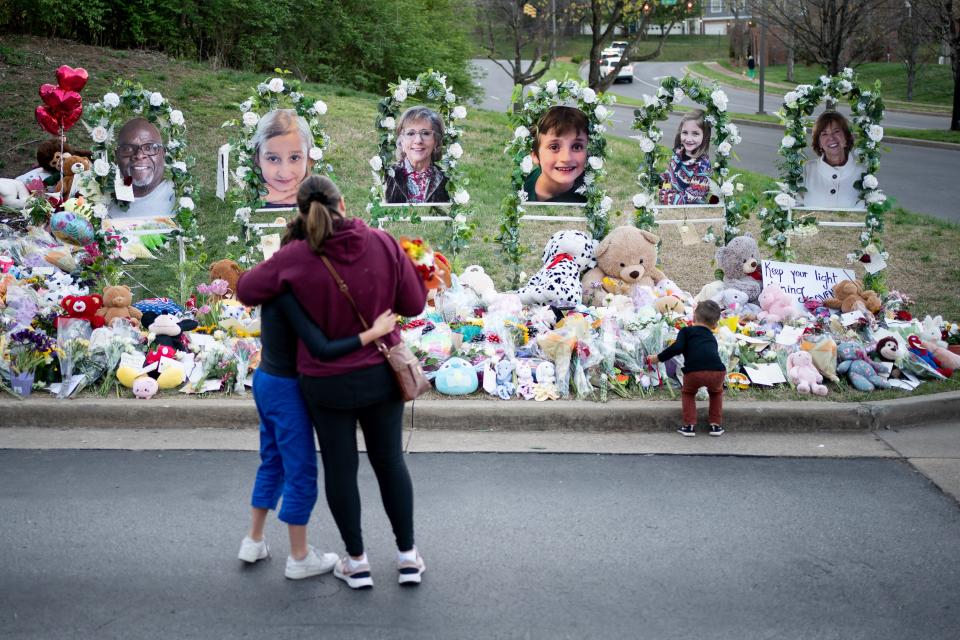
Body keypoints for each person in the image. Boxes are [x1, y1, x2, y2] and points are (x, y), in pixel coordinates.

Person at [237, 175, 428, 590]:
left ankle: (356, 563)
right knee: (390, 462)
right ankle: (408, 557)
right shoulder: (381, 241)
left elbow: (246, 289)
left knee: (341, 470)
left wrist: (287, 265)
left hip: (326, 383)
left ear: (302, 214)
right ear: (343, 201)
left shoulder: (296, 257)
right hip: (381, 375)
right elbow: (413, 303)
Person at [238, 288, 398, 580]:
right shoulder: (295, 293)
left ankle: (254, 540)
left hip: (265, 379)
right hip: (287, 389)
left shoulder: (275, 284)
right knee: (301, 472)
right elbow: (321, 348)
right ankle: (299, 558)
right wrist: (374, 332)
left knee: (273, 461)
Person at [647, 300, 726, 437]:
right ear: (715, 324)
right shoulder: (711, 337)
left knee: (688, 393)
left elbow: (677, 348)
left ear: (694, 316)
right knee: (716, 393)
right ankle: (715, 425)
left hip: (694, 371)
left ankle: (689, 426)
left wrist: (657, 358)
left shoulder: (686, 331)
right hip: (717, 371)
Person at [107, 118, 175, 219]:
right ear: (117, 156)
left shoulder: (178, 196)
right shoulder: (102, 198)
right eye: (128, 149)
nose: (139, 155)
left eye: (149, 148)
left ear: (163, 154)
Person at [384, 106, 449, 204]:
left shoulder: (447, 179)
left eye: (426, 133)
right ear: (401, 141)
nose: (418, 140)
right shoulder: (386, 175)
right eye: (410, 133)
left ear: (436, 141)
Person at [523, 106, 588, 204]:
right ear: (535, 155)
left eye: (577, 147)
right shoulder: (523, 187)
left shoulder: (590, 198)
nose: (566, 158)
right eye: (554, 147)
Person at [802, 112, 866, 209]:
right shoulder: (807, 170)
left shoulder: (863, 173)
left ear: (846, 137)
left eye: (836, 131)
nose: (831, 138)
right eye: (824, 134)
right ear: (819, 143)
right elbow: (795, 208)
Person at [253, 109, 314, 208]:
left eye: (294, 158)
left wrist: (286, 195)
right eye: (273, 159)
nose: (284, 173)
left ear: (308, 158)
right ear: (257, 159)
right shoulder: (242, 199)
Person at [658, 110, 712, 206]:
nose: (688, 139)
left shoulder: (702, 167)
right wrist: (657, 179)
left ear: (705, 136)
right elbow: (670, 174)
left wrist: (663, 195)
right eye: (685, 132)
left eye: (695, 133)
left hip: (688, 215)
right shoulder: (679, 153)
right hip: (670, 208)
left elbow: (688, 199)